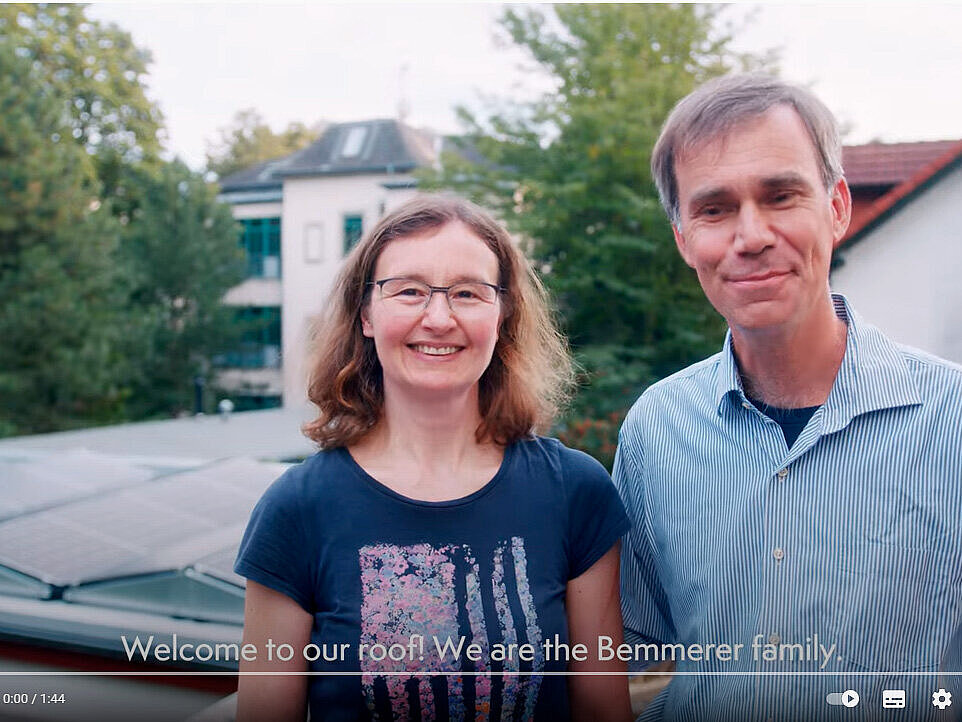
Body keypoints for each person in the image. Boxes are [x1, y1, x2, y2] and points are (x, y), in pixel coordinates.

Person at [613, 74, 962, 721]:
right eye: (714, 208)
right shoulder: (654, 432)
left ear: (836, 208)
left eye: (780, 196)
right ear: (684, 238)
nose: (751, 235)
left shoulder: (953, 423)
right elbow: (627, 653)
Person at [234, 194, 633, 722]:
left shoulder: (576, 493)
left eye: (467, 292)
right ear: (367, 315)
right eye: (409, 291)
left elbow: (605, 712)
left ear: (503, 314)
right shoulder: (297, 508)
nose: (438, 317)